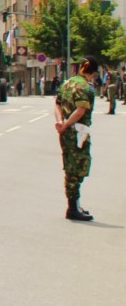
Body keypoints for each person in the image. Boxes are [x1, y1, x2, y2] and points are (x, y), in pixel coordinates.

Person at [55, 56, 97, 221]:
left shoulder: (67, 83)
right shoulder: (84, 87)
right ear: (93, 72)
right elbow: (80, 111)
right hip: (77, 131)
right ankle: (73, 208)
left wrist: (60, 122)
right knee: (78, 167)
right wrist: (66, 125)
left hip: (67, 131)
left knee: (70, 166)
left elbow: (57, 103)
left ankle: (75, 205)